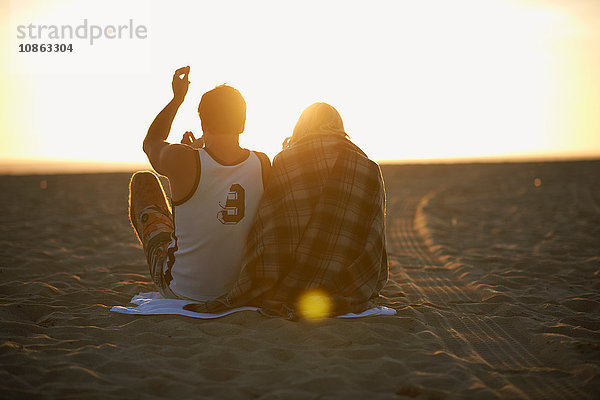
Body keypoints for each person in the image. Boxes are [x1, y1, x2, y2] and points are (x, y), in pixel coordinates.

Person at [186, 102, 388, 319]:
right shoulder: (369, 167)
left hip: (291, 279)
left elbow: (271, 227)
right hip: (348, 279)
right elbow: (374, 234)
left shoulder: (286, 160)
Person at [129, 66, 270, 302]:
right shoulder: (263, 163)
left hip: (183, 291)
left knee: (143, 180)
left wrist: (177, 99)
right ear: (243, 124)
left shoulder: (183, 159)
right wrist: (199, 152)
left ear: (203, 122)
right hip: (237, 289)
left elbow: (151, 142)